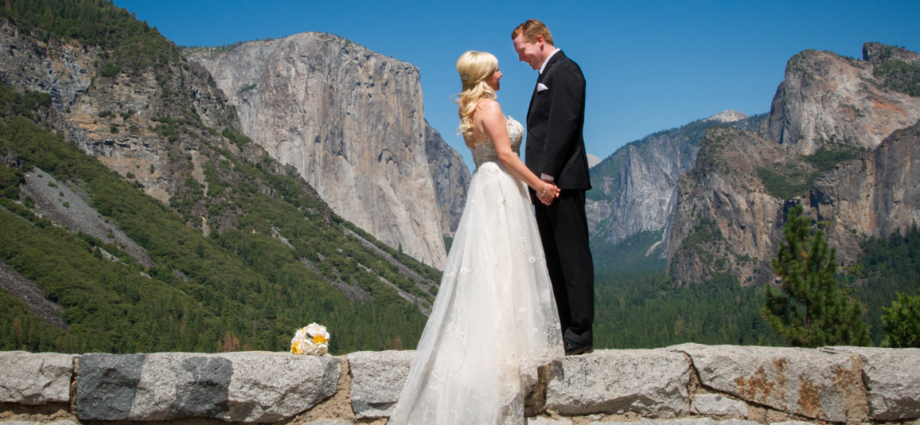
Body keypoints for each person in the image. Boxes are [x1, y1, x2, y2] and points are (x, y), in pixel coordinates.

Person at [387, 51, 564, 425]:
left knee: (489, 268)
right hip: (501, 186)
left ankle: (496, 347)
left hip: (483, 185)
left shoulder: (467, 111)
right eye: (496, 68)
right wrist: (540, 187)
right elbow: (506, 154)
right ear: (485, 75)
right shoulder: (491, 109)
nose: (503, 72)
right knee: (507, 265)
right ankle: (507, 352)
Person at [512, 19, 595, 355]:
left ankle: (580, 331)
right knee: (555, 260)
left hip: (561, 183)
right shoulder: (547, 75)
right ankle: (566, 330)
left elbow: (563, 125)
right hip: (546, 187)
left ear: (540, 40)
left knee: (572, 257)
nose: (521, 58)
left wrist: (546, 178)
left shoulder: (566, 71)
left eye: (523, 50)